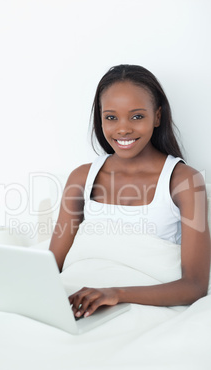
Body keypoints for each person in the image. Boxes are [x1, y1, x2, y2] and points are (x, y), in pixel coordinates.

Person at [49, 64, 210, 318]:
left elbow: (195, 285)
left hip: (143, 308)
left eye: (136, 116)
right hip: (77, 303)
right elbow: (51, 266)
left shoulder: (185, 181)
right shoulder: (81, 178)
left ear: (157, 116)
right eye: (111, 117)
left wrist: (116, 294)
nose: (123, 129)